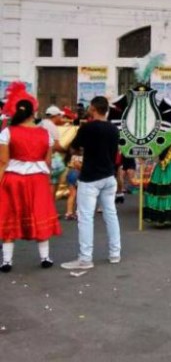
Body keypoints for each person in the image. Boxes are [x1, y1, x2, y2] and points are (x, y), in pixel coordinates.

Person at [0, 84, 61, 272]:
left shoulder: (7, 132)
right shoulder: (45, 134)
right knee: (39, 214)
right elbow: (48, 162)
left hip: (13, 179)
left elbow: (3, 161)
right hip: (38, 180)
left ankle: (7, 261)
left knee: (10, 215)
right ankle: (45, 258)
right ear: (33, 112)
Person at [61, 96, 122, 270]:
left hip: (90, 177)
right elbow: (113, 153)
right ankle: (115, 253)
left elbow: (74, 147)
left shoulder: (87, 128)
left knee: (86, 217)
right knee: (111, 215)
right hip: (109, 176)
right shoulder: (113, 129)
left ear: (93, 109)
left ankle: (86, 258)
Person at [64, 148, 83, 220]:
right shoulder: (80, 157)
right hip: (78, 175)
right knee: (79, 194)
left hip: (70, 173)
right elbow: (78, 165)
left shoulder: (72, 156)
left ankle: (69, 212)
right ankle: (79, 212)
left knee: (72, 194)